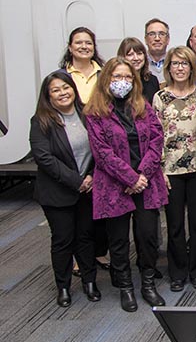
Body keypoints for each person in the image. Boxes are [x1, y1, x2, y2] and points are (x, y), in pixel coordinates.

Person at [84, 57, 168, 312]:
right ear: (106, 79)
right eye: (117, 77)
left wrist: (141, 175)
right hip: (114, 184)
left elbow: (157, 140)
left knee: (147, 236)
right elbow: (102, 153)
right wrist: (130, 178)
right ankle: (126, 288)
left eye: (128, 78)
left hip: (146, 181)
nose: (123, 82)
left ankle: (148, 284)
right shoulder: (94, 112)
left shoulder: (142, 106)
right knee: (118, 241)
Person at [30, 71, 99, 307]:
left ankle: (90, 281)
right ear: (48, 96)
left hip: (87, 189)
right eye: (56, 90)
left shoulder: (86, 114)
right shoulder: (41, 120)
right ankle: (64, 287)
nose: (62, 93)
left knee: (86, 237)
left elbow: (99, 149)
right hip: (57, 192)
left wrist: (90, 176)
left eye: (65, 87)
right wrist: (76, 180)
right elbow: (44, 158)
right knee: (63, 240)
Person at [153, 46, 196, 293]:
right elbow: (155, 136)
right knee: (174, 225)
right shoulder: (160, 97)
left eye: (184, 63)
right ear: (169, 67)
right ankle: (177, 272)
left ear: (192, 67)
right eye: (175, 63)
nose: (180, 68)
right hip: (170, 170)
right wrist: (160, 169)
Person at [60, 27, 104, 104]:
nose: (84, 46)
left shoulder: (105, 74)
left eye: (88, 43)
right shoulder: (60, 76)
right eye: (78, 43)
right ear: (70, 48)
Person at [117, 37, 159, 104]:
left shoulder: (152, 80)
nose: (136, 58)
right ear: (122, 57)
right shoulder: (118, 82)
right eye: (130, 55)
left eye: (139, 53)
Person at [144, 19, 170, 83]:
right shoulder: (140, 63)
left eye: (161, 34)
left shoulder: (174, 62)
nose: (157, 38)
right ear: (146, 40)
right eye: (152, 34)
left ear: (168, 39)